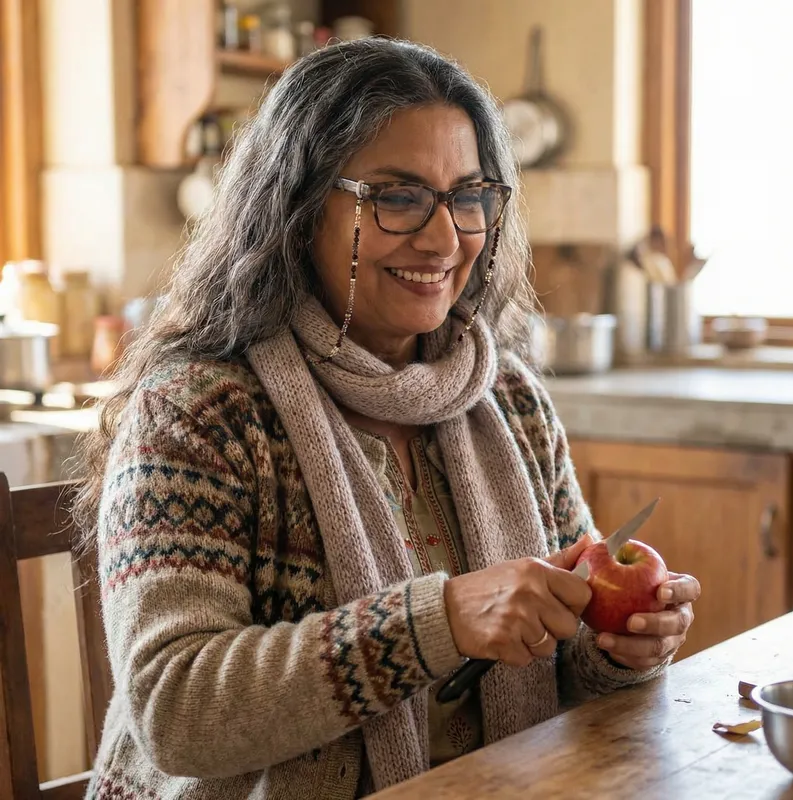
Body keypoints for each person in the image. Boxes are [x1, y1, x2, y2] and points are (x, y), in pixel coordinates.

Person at [74, 37, 700, 799]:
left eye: (468, 196)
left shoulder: (507, 398)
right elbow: (174, 710)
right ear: (299, 209)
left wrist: (617, 645)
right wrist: (436, 622)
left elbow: (559, 636)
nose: (443, 239)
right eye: (397, 197)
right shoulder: (198, 413)